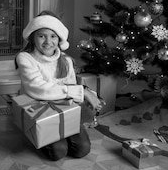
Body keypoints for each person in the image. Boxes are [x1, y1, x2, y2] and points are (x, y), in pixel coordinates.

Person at [15, 11, 103, 161]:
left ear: (59, 39)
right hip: (39, 110)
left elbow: (71, 88)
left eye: (53, 36)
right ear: (33, 38)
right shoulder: (25, 58)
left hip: (62, 108)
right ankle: (34, 134)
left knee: (82, 149)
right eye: (42, 36)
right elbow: (39, 88)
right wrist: (81, 91)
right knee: (59, 152)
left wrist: (87, 96)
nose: (48, 41)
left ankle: (64, 132)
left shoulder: (66, 61)